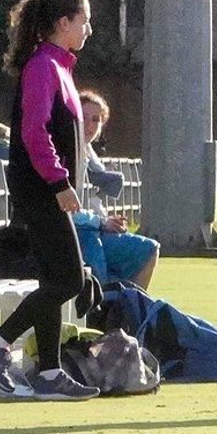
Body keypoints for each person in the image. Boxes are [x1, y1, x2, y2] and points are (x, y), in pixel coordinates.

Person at [0, 0, 99, 401]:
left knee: (55, 278)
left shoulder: (59, 67)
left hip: (46, 188)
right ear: (63, 23)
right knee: (70, 279)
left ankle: (49, 372)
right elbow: (33, 132)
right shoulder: (44, 66)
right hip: (39, 187)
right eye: (83, 20)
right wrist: (59, 182)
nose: (88, 29)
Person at [75, 89, 159, 289]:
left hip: (92, 227)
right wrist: (102, 222)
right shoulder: (68, 153)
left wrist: (106, 219)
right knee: (100, 278)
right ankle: (106, 309)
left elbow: (90, 200)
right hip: (77, 231)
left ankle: (131, 310)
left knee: (149, 249)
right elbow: (68, 210)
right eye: (83, 117)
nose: (89, 125)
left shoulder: (89, 152)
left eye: (96, 120)